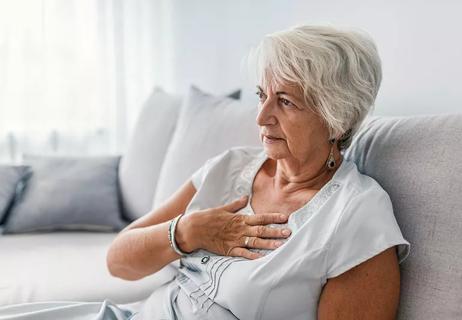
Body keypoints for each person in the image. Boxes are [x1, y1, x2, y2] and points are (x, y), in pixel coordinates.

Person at [0, 25, 410, 320]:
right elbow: (119, 261)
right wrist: (187, 232)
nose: (262, 116)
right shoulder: (230, 166)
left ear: (336, 119)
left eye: (285, 102)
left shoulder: (357, 216)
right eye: (262, 95)